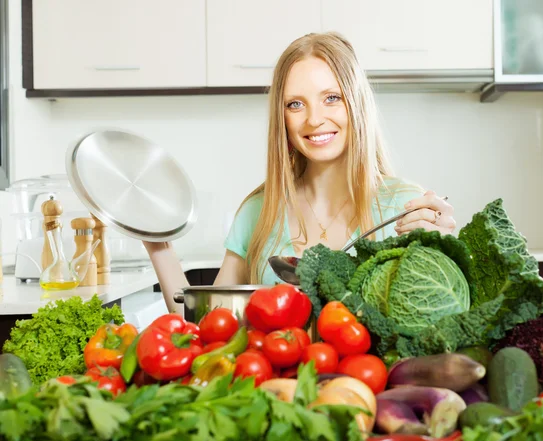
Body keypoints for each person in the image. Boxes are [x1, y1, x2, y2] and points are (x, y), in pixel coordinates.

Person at [144, 32, 456, 315]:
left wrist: (445, 252)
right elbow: (209, 325)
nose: (314, 119)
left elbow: (436, 322)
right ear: (282, 118)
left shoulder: (406, 208)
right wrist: (159, 247)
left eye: (331, 98)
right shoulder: (259, 211)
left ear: (356, 104)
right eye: (295, 104)